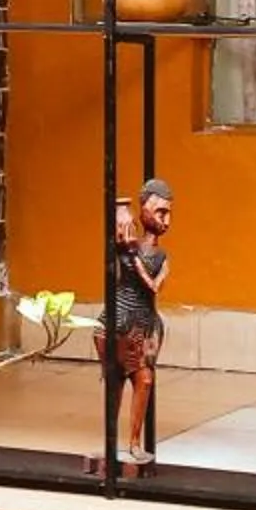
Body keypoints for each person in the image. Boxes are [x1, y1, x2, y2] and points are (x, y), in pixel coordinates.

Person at [102, 179, 172, 475]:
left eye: (168, 213)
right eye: (159, 212)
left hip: (143, 323)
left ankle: (133, 442)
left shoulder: (159, 256)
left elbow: (153, 286)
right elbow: (121, 262)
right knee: (115, 382)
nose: (166, 220)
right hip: (117, 320)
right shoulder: (125, 246)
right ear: (142, 211)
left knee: (143, 381)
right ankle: (111, 442)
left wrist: (133, 257)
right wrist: (125, 245)